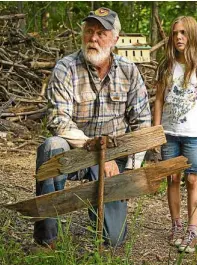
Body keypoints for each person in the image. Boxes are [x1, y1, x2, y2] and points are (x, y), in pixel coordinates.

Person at [34, 7, 151, 249]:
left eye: (101, 33)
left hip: (113, 159)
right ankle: (47, 239)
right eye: (89, 31)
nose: (93, 39)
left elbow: (142, 123)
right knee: (51, 146)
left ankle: (102, 213)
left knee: (114, 239)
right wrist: (97, 153)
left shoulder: (129, 72)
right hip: (76, 152)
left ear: (115, 39)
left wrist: (130, 169)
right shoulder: (66, 68)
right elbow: (59, 120)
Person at [154, 16, 197, 253]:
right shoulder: (166, 66)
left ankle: (192, 229)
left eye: (183, 32)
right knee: (173, 178)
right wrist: (156, 131)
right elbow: (158, 101)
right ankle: (176, 225)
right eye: (174, 33)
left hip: (193, 135)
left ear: (192, 35)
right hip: (169, 133)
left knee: (192, 179)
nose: (178, 37)